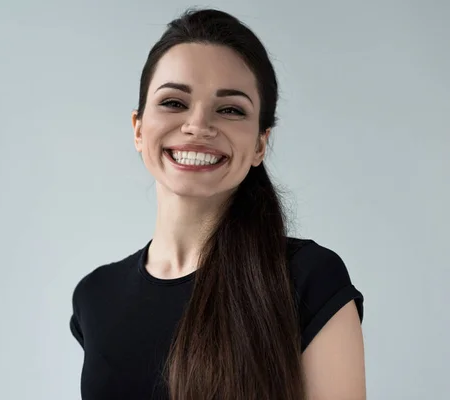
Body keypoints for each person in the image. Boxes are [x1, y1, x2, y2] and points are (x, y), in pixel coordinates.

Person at [69, 8, 365, 400]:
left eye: (230, 110)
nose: (198, 125)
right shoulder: (96, 296)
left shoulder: (310, 280)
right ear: (138, 129)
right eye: (174, 103)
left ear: (260, 143)